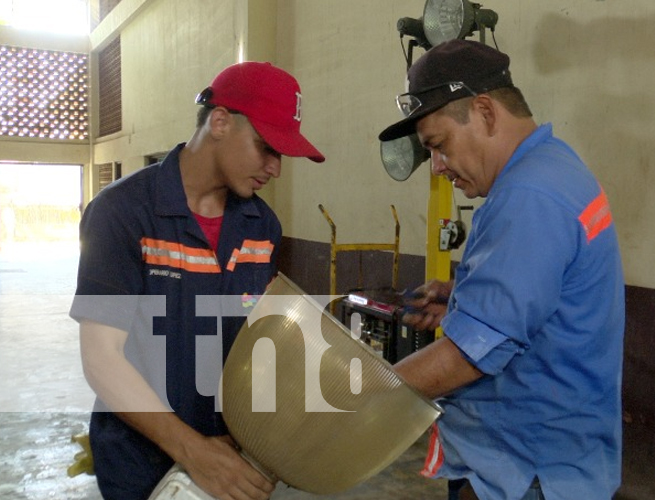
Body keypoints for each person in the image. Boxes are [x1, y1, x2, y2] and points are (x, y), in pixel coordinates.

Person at [378, 40, 625, 500]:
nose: (437, 168)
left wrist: (361, 395)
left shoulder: (527, 196)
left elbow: (465, 357)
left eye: (439, 145)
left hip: (521, 472)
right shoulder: (557, 168)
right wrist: (465, 296)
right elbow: (549, 291)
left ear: (486, 112)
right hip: (558, 460)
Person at [70, 61, 324, 500]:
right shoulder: (123, 212)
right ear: (220, 122)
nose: (275, 168)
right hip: (140, 464)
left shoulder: (261, 226)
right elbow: (101, 359)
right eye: (266, 147)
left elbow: (251, 342)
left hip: (230, 457)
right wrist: (194, 453)